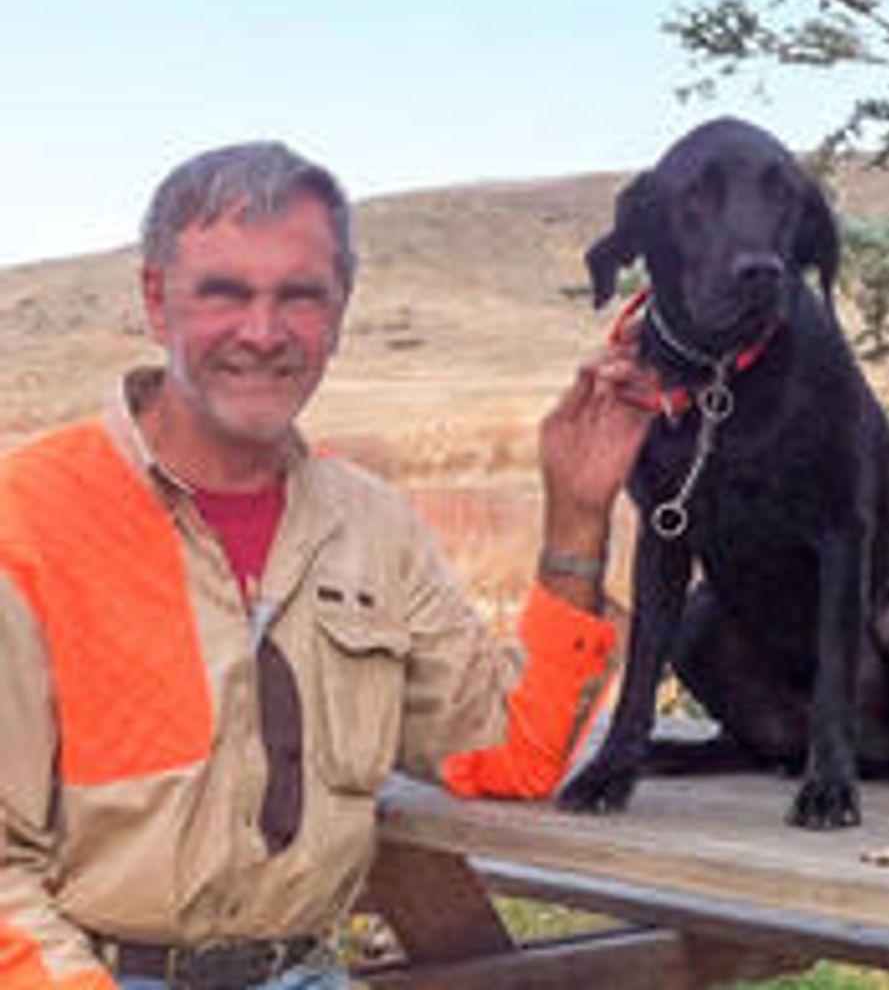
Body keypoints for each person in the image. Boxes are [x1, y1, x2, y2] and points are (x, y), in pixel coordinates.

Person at [0, 142, 655, 989]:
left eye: (300, 296)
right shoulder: (27, 520)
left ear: (340, 309)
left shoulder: (373, 525)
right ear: (157, 301)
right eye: (225, 292)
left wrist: (576, 514)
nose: (263, 332)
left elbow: (506, 755)